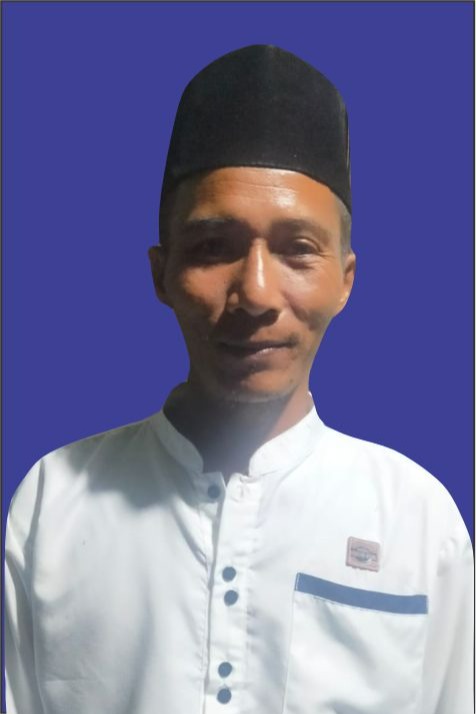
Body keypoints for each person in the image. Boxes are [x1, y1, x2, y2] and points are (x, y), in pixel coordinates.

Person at [5, 44, 473, 714]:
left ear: (345, 281)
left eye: (297, 249)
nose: (254, 293)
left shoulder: (418, 521)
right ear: (161, 273)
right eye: (213, 248)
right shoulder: (55, 502)